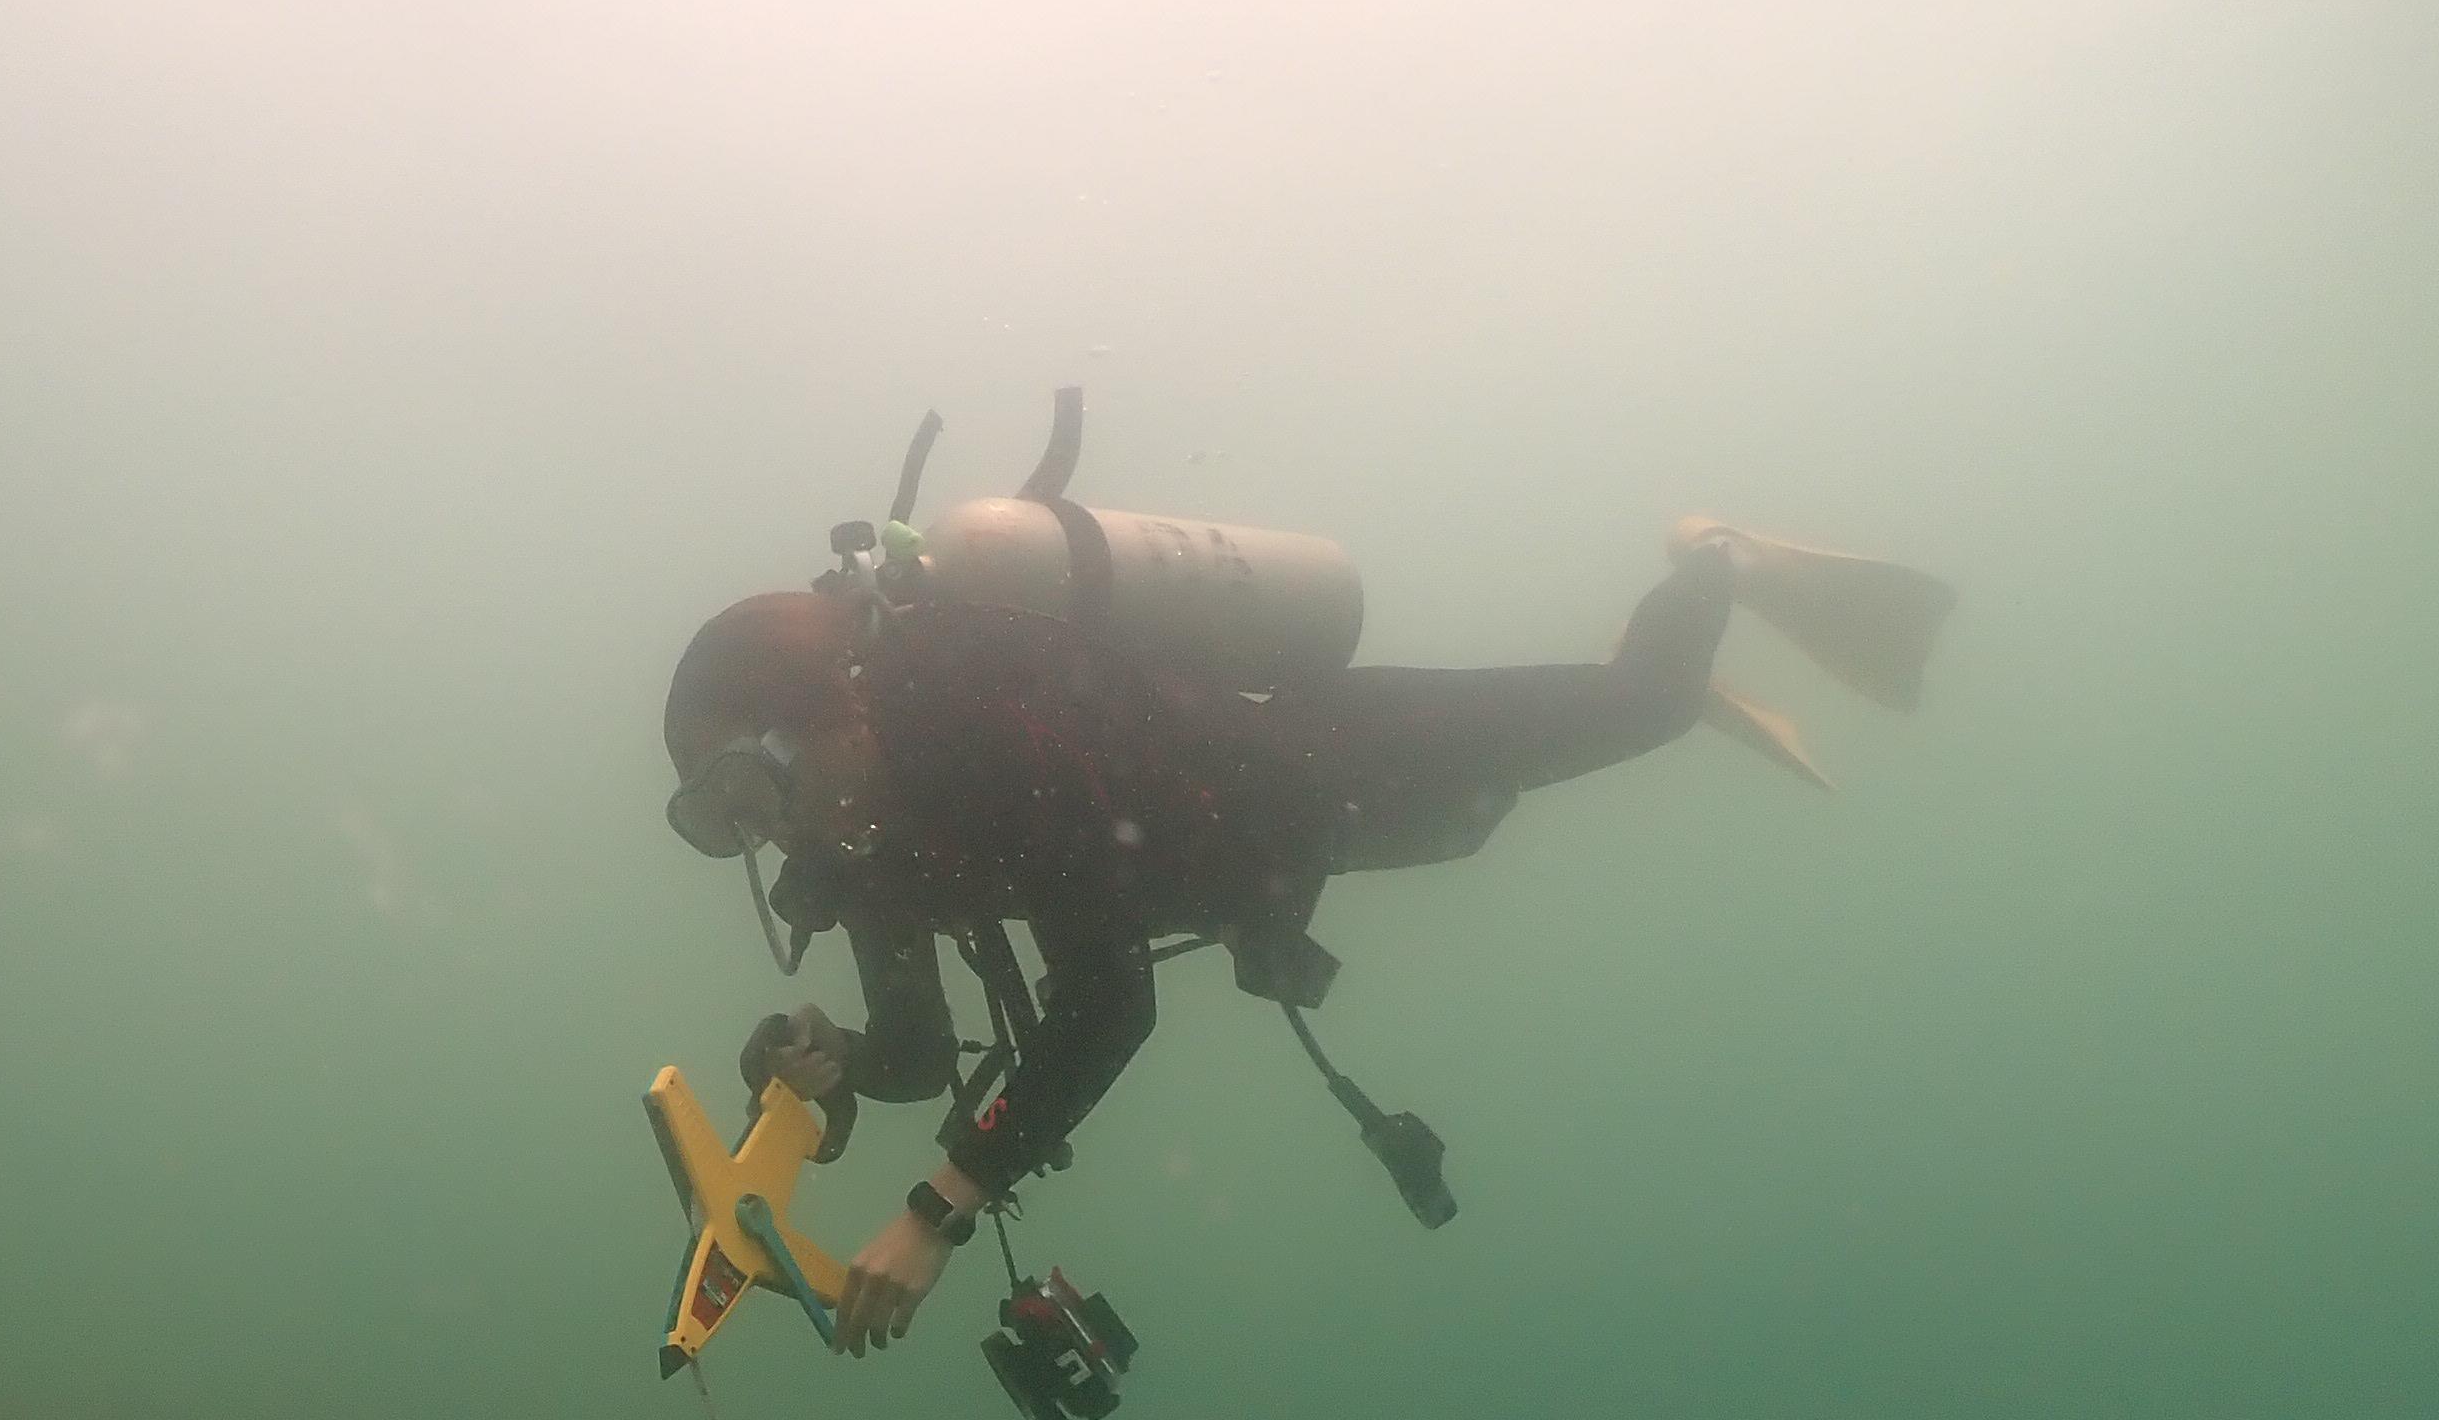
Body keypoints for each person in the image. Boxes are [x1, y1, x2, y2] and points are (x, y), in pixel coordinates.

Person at [659, 513, 1948, 1356]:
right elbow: (920, 1049)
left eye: (754, 792)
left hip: (1318, 761)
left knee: (1643, 708)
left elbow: (1109, 1007)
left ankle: (1712, 559)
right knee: (1557, 758)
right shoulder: (859, 839)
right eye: (722, 818)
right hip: (1259, 860)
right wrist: (839, 1057)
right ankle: (1659, 667)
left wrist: (936, 1213)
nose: (767, 838)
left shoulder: (998, 740)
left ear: (834, 713)